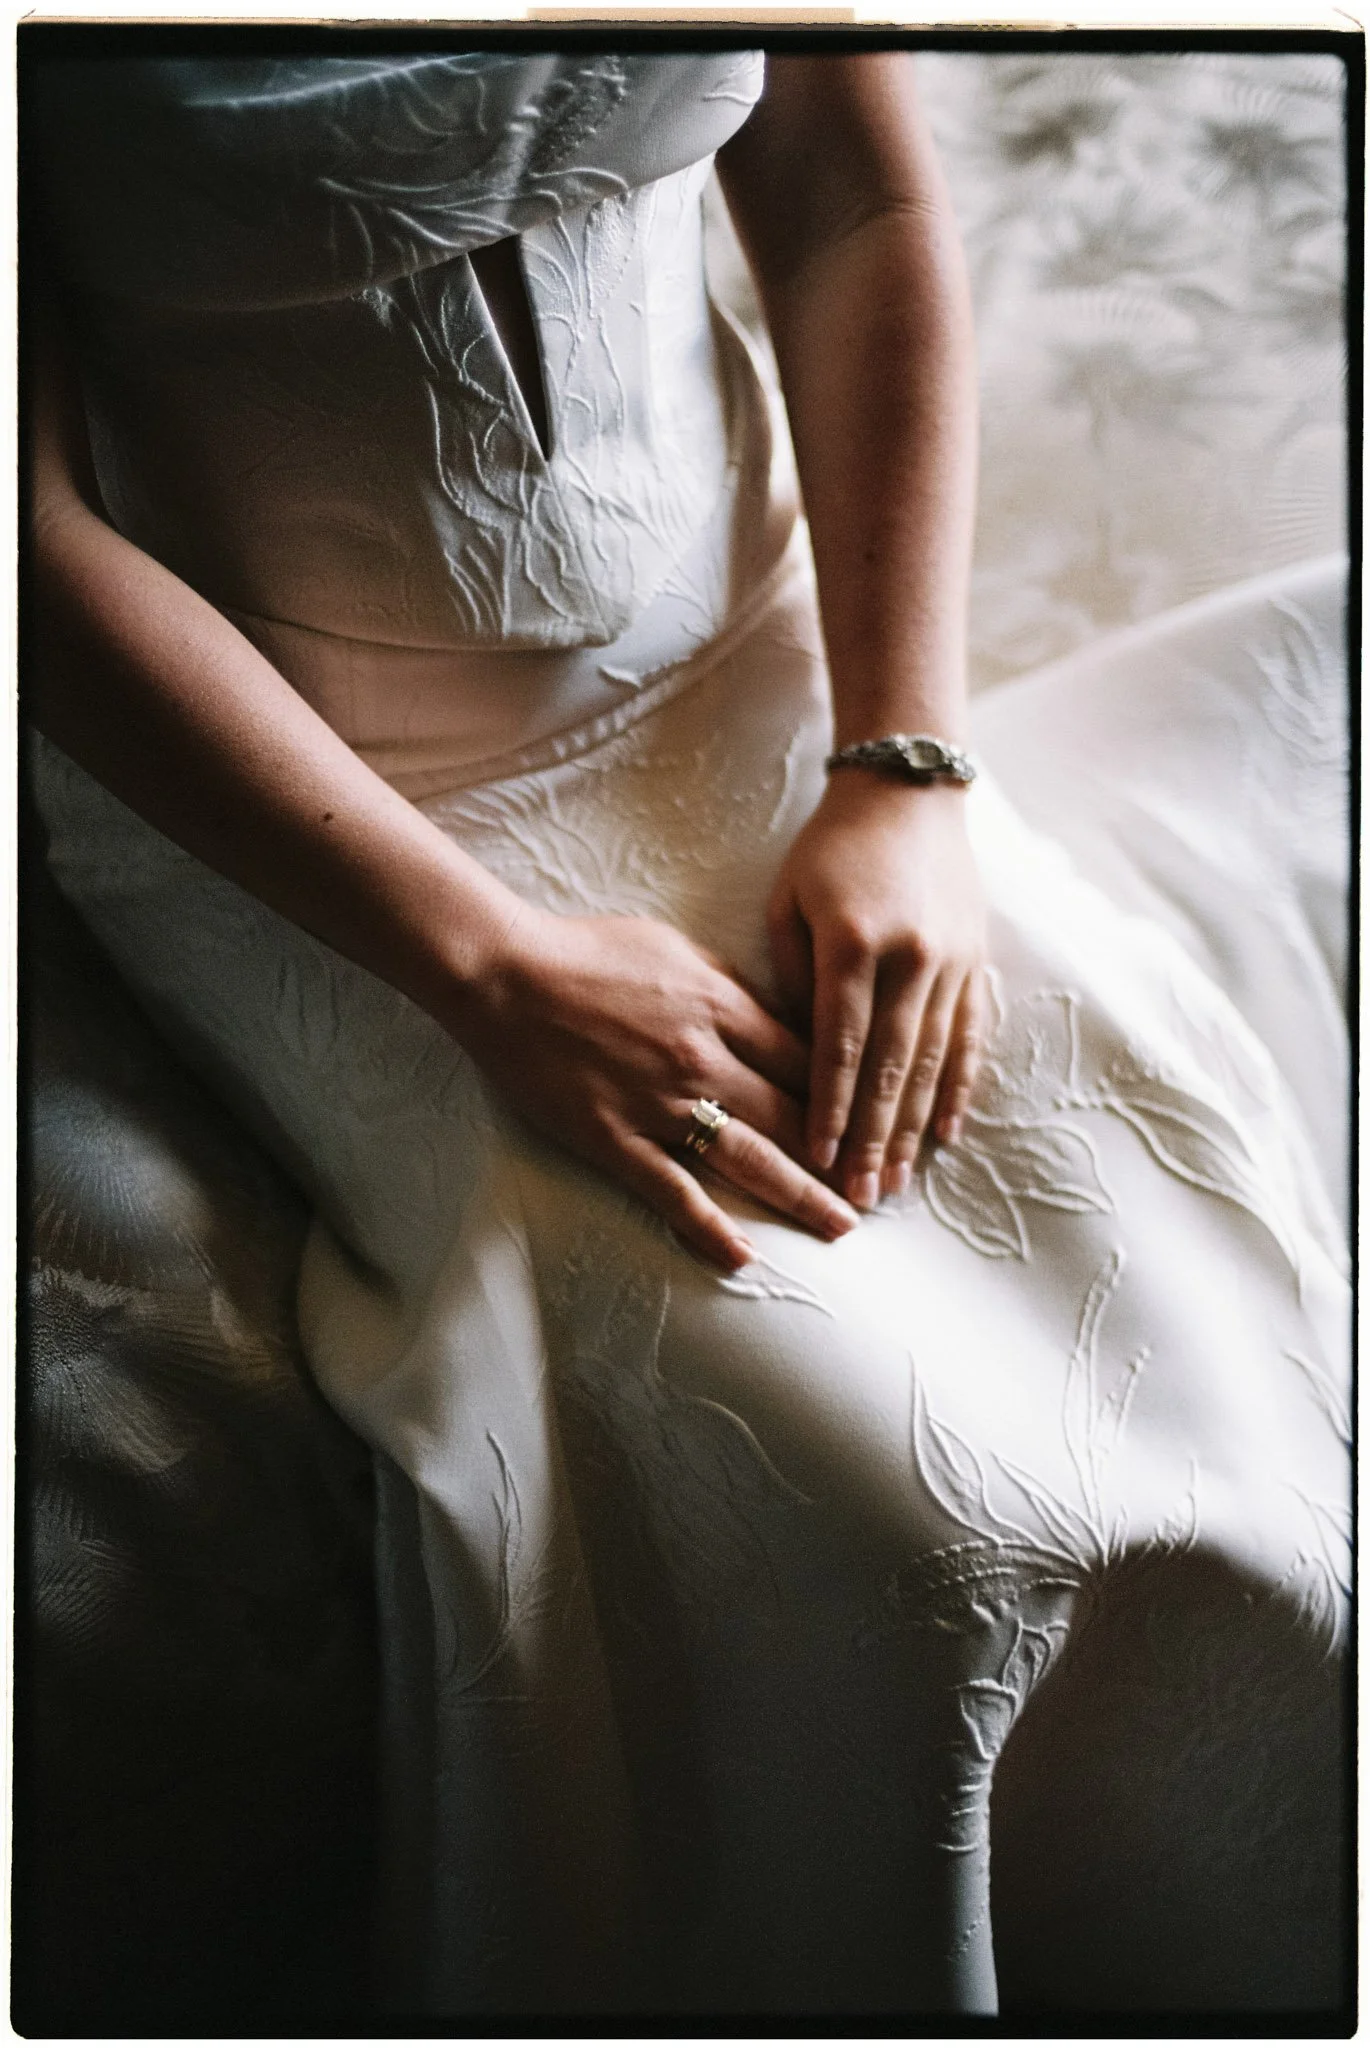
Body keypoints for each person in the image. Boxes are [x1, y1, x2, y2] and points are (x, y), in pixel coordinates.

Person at [26, 42, 1349, 2017]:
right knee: (858, 1485)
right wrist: (476, 962)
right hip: (323, 788)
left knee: (1203, 1370)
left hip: (761, 651)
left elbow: (854, 191)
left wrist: (902, 766)